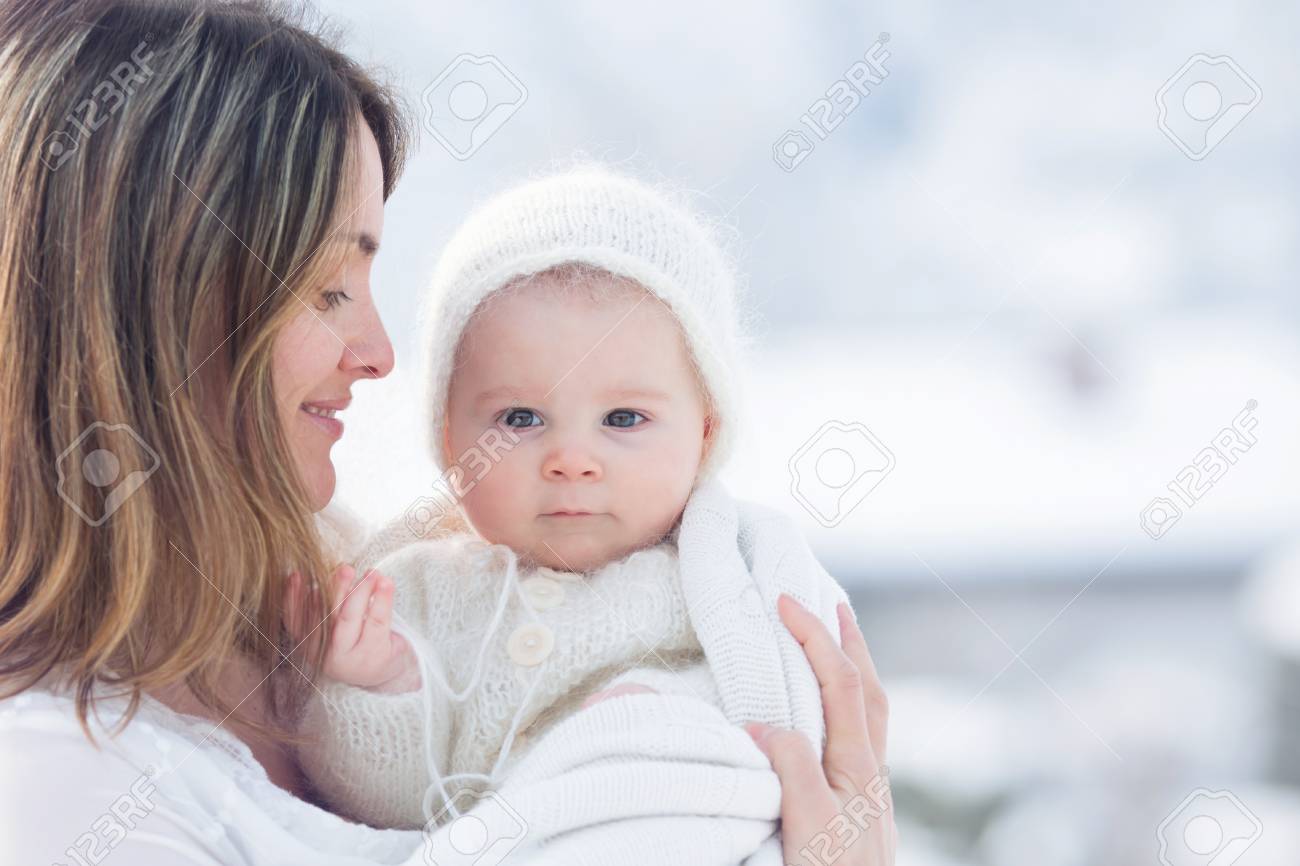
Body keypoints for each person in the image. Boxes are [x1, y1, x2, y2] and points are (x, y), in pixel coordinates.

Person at [0, 2, 894, 865]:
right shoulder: (58, 784)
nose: (380, 355)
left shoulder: (352, 576)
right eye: (327, 289)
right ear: (153, 308)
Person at [285, 166, 864, 865]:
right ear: (450, 442)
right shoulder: (417, 596)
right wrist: (378, 686)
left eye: (623, 418)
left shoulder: (724, 586)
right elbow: (391, 809)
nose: (571, 460)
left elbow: (784, 721)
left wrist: (659, 721)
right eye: (520, 419)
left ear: (705, 434)